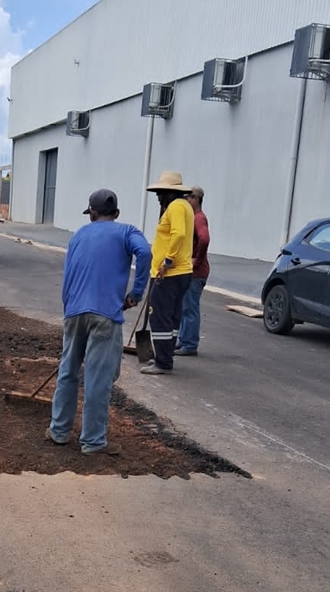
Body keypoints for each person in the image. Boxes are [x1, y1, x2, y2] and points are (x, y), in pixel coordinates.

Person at [46, 189, 152, 455]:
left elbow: (68, 273)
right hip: (105, 315)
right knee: (97, 378)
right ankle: (93, 442)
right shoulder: (127, 232)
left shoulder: (79, 234)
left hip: (74, 311)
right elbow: (146, 253)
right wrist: (136, 294)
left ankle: (59, 431)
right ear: (115, 213)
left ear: (92, 213)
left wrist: (69, 306)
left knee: (68, 372)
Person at [140, 171, 194, 375]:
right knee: (171, 317)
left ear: (170, 192)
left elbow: (178, 234)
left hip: (170, 273)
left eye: (160, 192)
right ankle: (166, 356)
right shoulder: (184, 206)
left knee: (160, 316)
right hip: (179, 273)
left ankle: (162, 361)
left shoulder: (176, 207)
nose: (157, 196)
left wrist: (167, 261)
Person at [177, 186, 210, 356]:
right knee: (185, 306)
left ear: (196, 199)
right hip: (191, 271)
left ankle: (189, 344)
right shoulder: (193, 218)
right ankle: (183, 340)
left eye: (188, 198)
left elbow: (204, 239)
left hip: (196, 273)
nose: (185, 201)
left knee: (190, 307)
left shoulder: (198, 219)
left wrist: (197, 259)